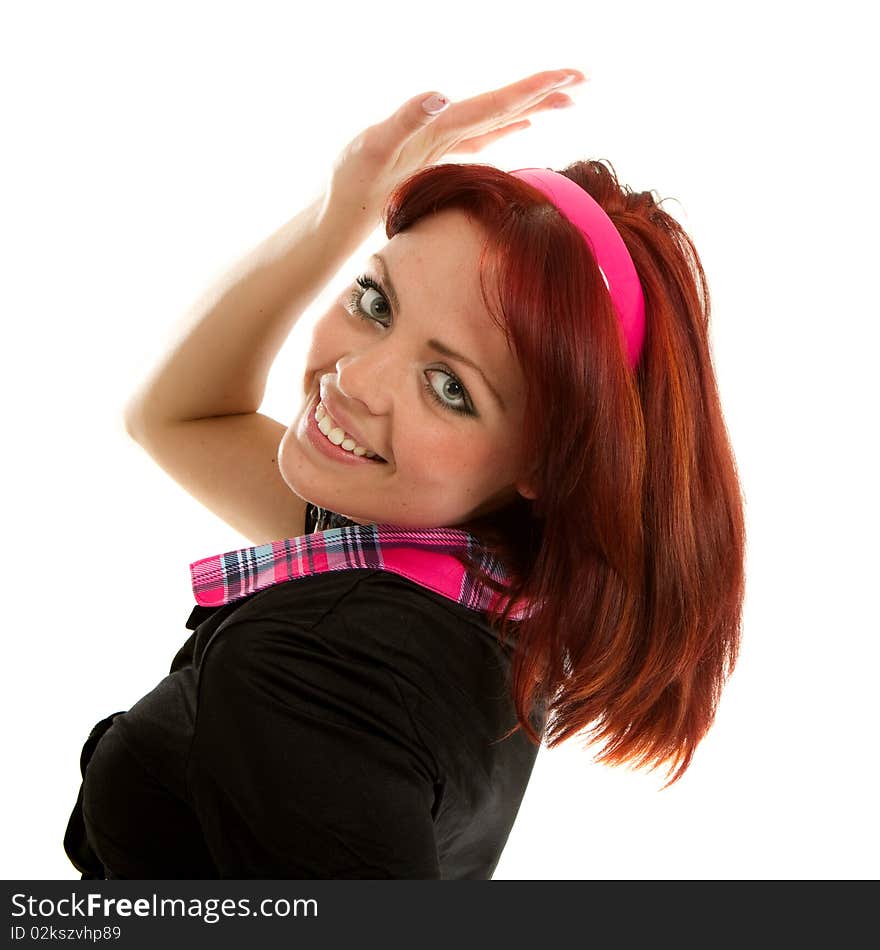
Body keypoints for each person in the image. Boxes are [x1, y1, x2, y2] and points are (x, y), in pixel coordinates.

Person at [63, 68, 747, 880]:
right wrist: (340, 212)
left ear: (544, 464)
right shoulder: (465, 582)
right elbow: (179, 418)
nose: (356, 379)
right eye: (376, 302)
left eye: (451, 387)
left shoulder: (317, 669)